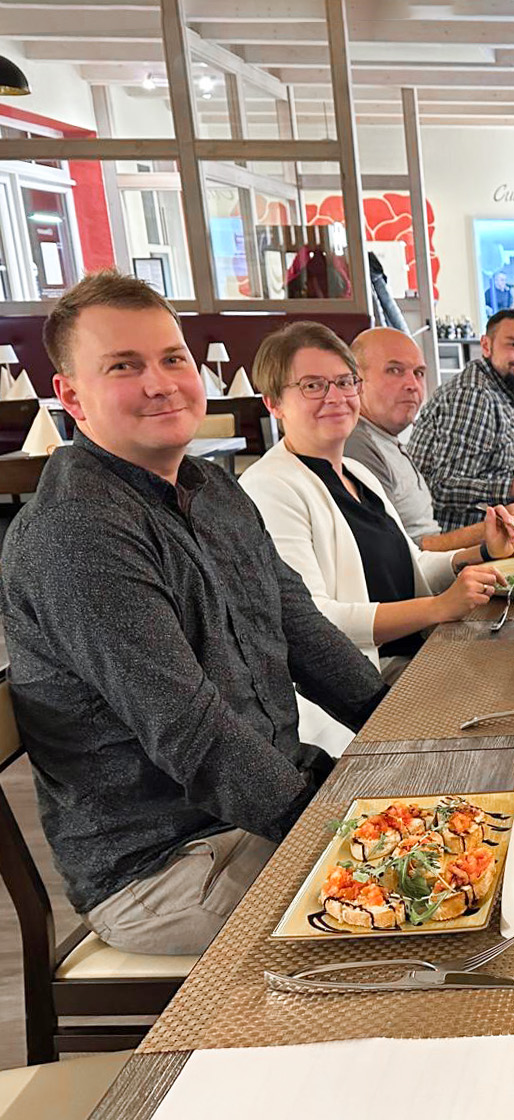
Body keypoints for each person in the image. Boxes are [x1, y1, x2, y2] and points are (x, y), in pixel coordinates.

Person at [0, 272, 386, 955]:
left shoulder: (211, 489)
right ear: (70, 396)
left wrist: (403, 737)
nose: (160, 383)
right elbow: (192, 731)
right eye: (124, 366)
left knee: (470, 842)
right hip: (166, 864)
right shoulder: (77, 531)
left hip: (261, 809)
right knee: (417, 909)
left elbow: (301, 631)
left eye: (173, 358)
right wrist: (343, 835)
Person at [240, 321, 514, 686]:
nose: (336, 397)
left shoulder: (356, 473)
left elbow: (410, 565)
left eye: (344, 382)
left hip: (415, 655)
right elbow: (315, 618)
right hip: (358, 686)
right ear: (274, 403)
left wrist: (481, 551)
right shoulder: (268, 487)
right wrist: (439, 606)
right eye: (313, 386)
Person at [343, 328, 514, 551]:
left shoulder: (385, 437)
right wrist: (492, 528)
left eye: (419, 373)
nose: (412, 385)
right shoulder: (357, 446)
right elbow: (400, 557)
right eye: (394, 370)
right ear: (355, 379)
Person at [409, 308, 514, 531]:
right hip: (459, 543)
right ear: (487, 346)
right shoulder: (474, 396)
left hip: (496, 530)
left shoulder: (511, 388)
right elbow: (442, 488)